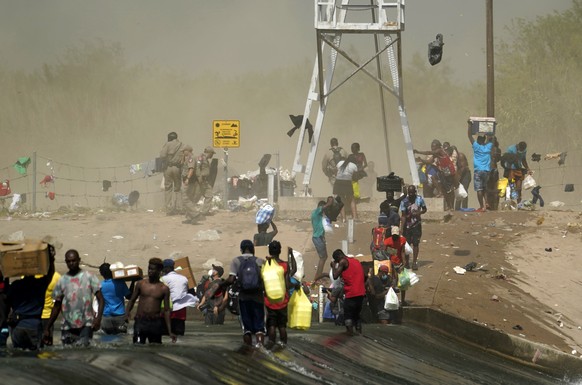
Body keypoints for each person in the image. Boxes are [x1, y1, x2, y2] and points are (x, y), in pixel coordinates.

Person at [44, 249, 104, 346]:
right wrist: (47, 327)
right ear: (66, 262)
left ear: (79, 260)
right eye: (69, 261)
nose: (71, 263)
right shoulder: (62, 281)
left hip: (86, 324)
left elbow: (101, 299)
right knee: (68, 356)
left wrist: (98, 319)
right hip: (67, 326)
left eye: (74, 260)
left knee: (84, 353)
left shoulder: (89, 277)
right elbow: (57, 306)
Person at [7, 244, 56, 350]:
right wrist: (51, 258)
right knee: (35, 355)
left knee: (18, 355)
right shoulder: (40, 284)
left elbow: (8, 300)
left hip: (18, 325)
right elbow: (50, 274)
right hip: (34, 326)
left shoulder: (16, 285)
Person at [220, 240, 266, 347]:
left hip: (243, 298)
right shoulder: (260, 261)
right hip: (258, 297)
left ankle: (248, 350)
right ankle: (261, 349)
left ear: (241, 249)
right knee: (260, 327)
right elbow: (265, 279)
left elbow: (231, 279)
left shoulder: (236, 261)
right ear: (253, 249)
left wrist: (221, 285)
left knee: (247, 328)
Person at [126, 258, 176, 344]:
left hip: (155, 323)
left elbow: (167, 310)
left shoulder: (164, 289)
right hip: (140, 322)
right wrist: (126, 313)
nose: (150, 271)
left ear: (160, 270)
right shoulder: (141, 284)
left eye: (152, 269)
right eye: (149, 268)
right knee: (137, 347)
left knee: (155, 348)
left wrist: (169, 331)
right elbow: (132, 300)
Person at [263, 241, 297, 348]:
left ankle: (271, 343)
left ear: (269, 251)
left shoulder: (266, 264)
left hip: (269, 300)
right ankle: (283, 345)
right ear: (280, 251)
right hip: (283, 300)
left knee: (271, 324)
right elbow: (288, 283)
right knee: (282, 326)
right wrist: (291, 254)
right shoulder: (285, 265)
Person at [330, 249, 365, 336]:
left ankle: (349, 331)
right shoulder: (356, 261)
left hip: (352, 292)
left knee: (348, 312)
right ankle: (358, 331)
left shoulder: (343, 262)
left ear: (338, 258)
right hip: (361, 292)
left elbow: (335, 276)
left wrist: (333, 266)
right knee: (357, 313)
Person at [414, 140, 456, 210]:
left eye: (434, 146)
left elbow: (429, 152)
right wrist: (421, 160)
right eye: (432, 146)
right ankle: (446, 201)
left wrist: (418, 152)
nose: (432, 148)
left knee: (449, 191)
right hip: (444, 173)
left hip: (449, 174)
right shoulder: (436, 154)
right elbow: (429, 162)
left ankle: (451, 206)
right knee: (443, 188)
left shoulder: (440, 151)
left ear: (438, 146)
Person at [161, 259, 198, 336]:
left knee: (165, 336)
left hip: (167, 311)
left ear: (166, 268)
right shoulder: (184, 278)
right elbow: (188, 291)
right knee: (179, 336)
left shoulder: (163, 279)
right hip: (180, 312)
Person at [98, 263, 134, 335]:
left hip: (106, 317)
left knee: (107, 339)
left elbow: (99, 301)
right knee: (122, 339)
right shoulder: (120, 282)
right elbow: (129, 296)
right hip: (120, 316)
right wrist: (133, 282)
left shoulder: (100, 285)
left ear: (101, 274)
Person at [399, 185, 427, 271]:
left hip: (416, 225)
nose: (410, 194)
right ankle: (407, 262)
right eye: (409, 193)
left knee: (415, 244)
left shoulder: (419, 199)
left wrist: (419, 213)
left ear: (415, 192)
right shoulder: (404, 201)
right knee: (406, 245)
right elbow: (403, 216)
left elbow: (425, 209)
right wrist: (401, 228)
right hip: (407, 226)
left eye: (412, 193)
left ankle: (414, 262)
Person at [468, 126, 494, 212]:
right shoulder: (488, 147)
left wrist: (469, 125)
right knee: (484, 188)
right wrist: (492, 128)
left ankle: (482, 206)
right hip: (486, 171)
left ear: (478, 141)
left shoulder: (476, 147)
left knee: (479, 189)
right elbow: (492, 137)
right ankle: (486, 203)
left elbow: (469, 135)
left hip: (478, 171)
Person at [159, 131, 183, 215]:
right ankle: (179, 208)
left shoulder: (168, 144)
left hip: (168, 168)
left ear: (169, 138)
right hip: (177, 168)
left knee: (168, 188)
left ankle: (169, 209)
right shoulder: (182, 145)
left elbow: (162, 155)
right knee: (178, 188)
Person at [383, 226, 408, 304]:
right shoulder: (387, 241)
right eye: (393, 235)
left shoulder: (402, 240)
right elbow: (384, 252)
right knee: (392, 282)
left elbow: (402, 251)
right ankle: (392, 300)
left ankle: (403, 300)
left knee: (403, 283)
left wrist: (404, 262)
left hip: (399, 263)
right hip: (391, 263)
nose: (395, 237)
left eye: (396, 235)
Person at [311, 197, 334, 281]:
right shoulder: (316, 212)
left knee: (324, 257)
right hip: (317, 238)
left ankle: (318, 276)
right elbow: (325, 206)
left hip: (319, 238)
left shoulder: (320, 215)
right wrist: (329, 202)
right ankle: (317, 277)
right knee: (323, 258)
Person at [191, 146, 216, 216]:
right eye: (212, 153)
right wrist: (199, 177)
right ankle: (189, 210)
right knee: (196, 196)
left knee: (209, 195)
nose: (212, 155)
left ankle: (205, 212)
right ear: (209, 153)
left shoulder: (206, 159)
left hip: (205, 181)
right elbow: (197, 167)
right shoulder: (201, 157)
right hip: (200, 180)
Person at [334, 154, 359, 220]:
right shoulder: (354, 166)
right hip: (347, 182)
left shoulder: (340, 163)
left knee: (341, 200)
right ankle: (355, 217)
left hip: (338, 182)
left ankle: (343, 218)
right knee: (351, 199)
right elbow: (355, 177)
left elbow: (336, 172)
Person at [181, 145, 201, 224]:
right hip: (190, 181)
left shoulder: (191, 158)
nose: (183, 152)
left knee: (185, 199)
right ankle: (190, 218)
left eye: (184, 151)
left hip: (189, 181)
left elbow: (191, 169)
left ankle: (195, 214)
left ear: (188, 151)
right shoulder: (188, 158)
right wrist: (183, 157)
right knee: (189, 199)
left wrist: (187, 179)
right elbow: (181, 163)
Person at [40, 267, 61, 347]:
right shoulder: (29, 275)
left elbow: (59, 303)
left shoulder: (56, 277)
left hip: (48, 317)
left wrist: (47, 327)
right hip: (34, 317)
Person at [487, 136, 502, 210]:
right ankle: (495, 207)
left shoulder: (486, 149)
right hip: (495, 169)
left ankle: (489, 205)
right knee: (496, 188)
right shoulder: (498, 150)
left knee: (488, 188)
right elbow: (498, 160)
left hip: (487, 169)